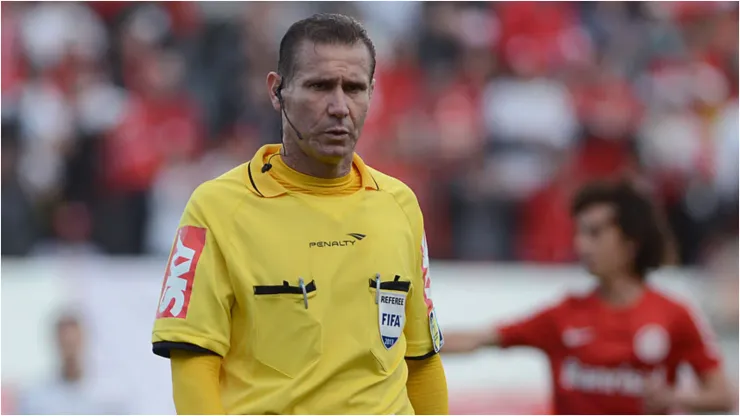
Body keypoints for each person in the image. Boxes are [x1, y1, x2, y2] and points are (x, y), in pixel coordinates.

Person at [151, 13, 448, 415]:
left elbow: (422, 361)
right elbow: (193, 365)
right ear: (277, 91)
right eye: (320, 86)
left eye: (355, 88)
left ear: (372, 92)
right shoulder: (217, 209)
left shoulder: (400, 205)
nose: (340, 106)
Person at [442, 180, 735, 415]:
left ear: (631, 241)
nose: (581, 245)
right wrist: (412, 343)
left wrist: (674, 397)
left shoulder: (673, 314)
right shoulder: (563, 315)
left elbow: (723, 396)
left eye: (594, 234)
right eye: (579, 233)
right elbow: (479, 339)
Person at [18, 312, 127, 415]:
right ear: (56, 343)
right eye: (65, 343)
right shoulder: (36, 398)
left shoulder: (110, 396)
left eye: (73, 343)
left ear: (83, 340)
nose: (70, 351)